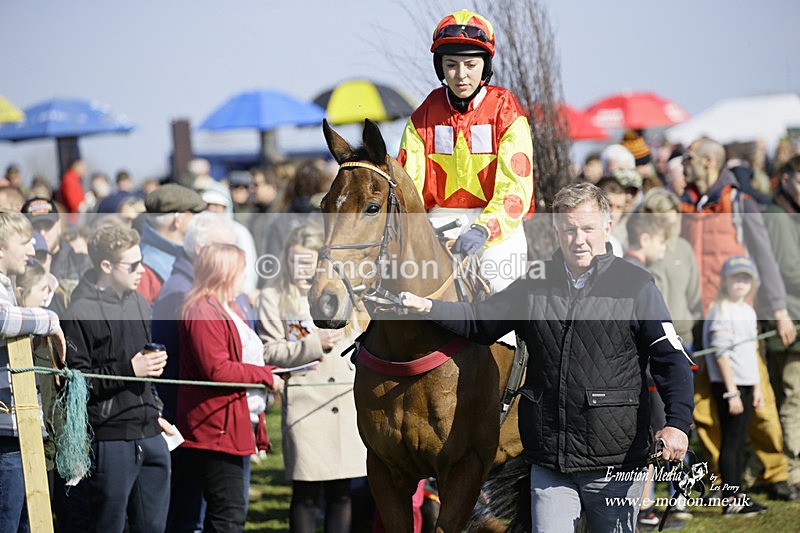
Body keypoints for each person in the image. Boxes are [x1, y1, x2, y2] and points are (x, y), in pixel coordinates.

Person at [399, 183, 694, 532]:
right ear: (556, 231)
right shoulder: (534, 283)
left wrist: (677, 423)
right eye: (569, 229)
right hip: (550, 462)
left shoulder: (637, 285)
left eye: (587, 228)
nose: (578, 239)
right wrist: (428, 306)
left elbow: (671, 360)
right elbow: (480, 321)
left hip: (616, 462)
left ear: (607, 227)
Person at [681, 137, 798, 500]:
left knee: (755, 394)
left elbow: (765, 259)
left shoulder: (739, 203)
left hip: (738, 318)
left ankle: (774, 471)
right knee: (705, 404)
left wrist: (778, 311)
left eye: (688, 159)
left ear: (707, 162)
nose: (682, 164)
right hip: (699, 318)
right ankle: (722, 477)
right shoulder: (684, 203)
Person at [397, 9, 534, 293]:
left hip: (497, 226)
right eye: (452, 65)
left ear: (485, 66)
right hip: (439, 220)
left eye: (471, 65)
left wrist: (485, 228)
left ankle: (515, 339)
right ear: (441, 68)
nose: (461, 75)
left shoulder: (505, 110)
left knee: (500, 285)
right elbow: (408, 183)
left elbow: (515, 188)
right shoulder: (423, 114)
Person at [61, 225, 172, 532]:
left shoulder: (138, 301)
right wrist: (129, 370)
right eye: (133, 265)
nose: (141, 271)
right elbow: (75, 385)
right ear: (106, 266)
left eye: (142, 262)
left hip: (150, 432)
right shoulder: (78, 312)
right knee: (109, 526)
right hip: (110, 438)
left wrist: (155, 407)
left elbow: (142, 368)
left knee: (153, 526)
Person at [258, 224, 367, 533]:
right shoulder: (273, 297)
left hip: (343, 402)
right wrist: (313, 345)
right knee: (306, 494)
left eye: (308, 262)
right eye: (296, 261)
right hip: (305, 403)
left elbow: (360, 338)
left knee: (342, 492)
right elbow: (268, 351)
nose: (301, 270)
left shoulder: (341, 294)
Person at [175, 243, 284, 532]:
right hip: (214, 427)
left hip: (229, 423)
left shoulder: (226, 306)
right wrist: (264, 376)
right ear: (223, 273)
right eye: (240, 271)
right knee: (228, 515)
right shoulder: (201, 310)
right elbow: (217, 368)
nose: (244, 277)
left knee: (229, 512)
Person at [0, 210, 65, 533]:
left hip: (17, 429)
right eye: (24, 242)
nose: (30, 250)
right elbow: (1, 321)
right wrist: (49, 320)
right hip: (5, 433)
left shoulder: (7, 287)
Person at [703, 256, 768, 515]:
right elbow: (721, 354)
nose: (740, 283)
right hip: (730, 387)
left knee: (740, 442)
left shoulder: (748, 310)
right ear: (725, 282)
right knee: (731, 442)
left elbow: (752, 352)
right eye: (735, 278)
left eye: (745, 278)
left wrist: (758, 388)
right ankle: (731, 499)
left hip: (747, 385)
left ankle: (738, 492)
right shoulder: (721, 310)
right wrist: (732, 392)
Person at [762, 155, 800, 490]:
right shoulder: (777, 216)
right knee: (792, 397)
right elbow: (790, 269)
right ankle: (792, 470)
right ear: (785, 179)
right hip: (787, 321)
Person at [138, 183, 206, 304]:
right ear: (177, 220)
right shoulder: (144, 268)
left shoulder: (181, 254)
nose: (199, 221)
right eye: (193, 215)